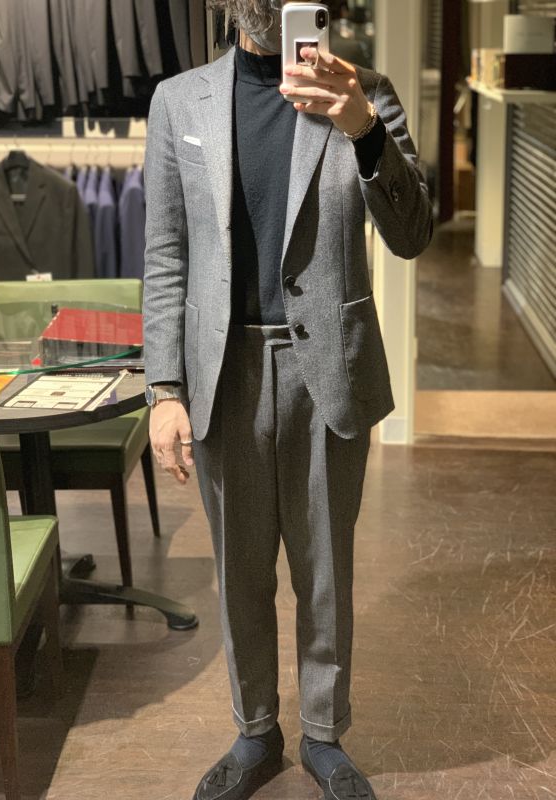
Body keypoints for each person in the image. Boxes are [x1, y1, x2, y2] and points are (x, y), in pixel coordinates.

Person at [142, 1, 433, 798]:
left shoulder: (366, 93)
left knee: (324, 570)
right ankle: (255, 731)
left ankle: (323, 734)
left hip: (327, 367)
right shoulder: (179, 101)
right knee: (239, 572)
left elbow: (412, 233)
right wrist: (164, 387)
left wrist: (364, 131)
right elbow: (165, 253)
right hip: (221, 368)